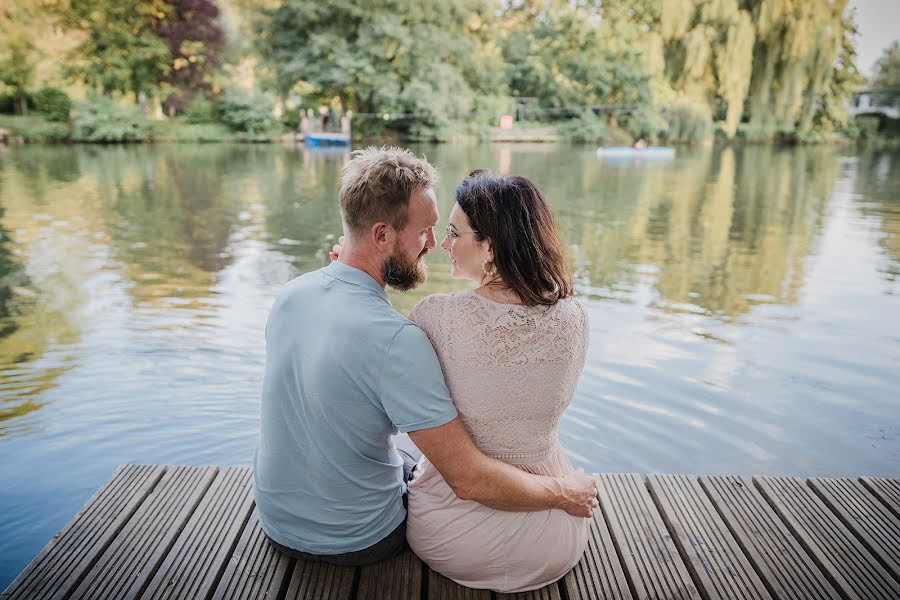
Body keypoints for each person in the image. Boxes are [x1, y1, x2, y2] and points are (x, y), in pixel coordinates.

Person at [253, 147, 597, 568]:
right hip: (355, 539)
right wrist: (566, 491)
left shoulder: (291, 295)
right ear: (381, 235)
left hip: (276, 522)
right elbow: (468, 478)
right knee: (425, 456)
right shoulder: (397, 338)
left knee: (409, 452)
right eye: (425, 232)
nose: (434, 245)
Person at [404, 171, 592, 592]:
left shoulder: (435, 316)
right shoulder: (575, 316)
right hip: (557, 534)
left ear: (489, 246)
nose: (445, 245)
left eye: (454, 233)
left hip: (456, 534)